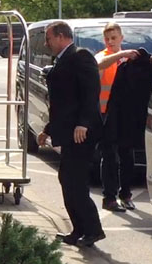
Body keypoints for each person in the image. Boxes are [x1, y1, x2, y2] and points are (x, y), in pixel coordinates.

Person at [38, 21, 105, 247]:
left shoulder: (81, 56)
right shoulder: (62, 59)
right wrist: (47, 130)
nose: (47, 44)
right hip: (68, 131)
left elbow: (91, 92)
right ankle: (78, 229)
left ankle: (93, 230)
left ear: (60, 36)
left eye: (48, 39)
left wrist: (84, 123)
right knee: (67, 179)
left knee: (75, 181)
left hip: (81, 133)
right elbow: (62, 102)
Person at [94, 22, 140, 212]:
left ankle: (126, 194)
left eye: (114, 38)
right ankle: (109, 198)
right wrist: (121, 55)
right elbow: (98, 65)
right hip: (105, 114)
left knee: (127, 156)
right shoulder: (104, 57)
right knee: (110, 156)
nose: (111, 42)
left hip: (125, 115)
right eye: (107, 39)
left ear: (121, 38)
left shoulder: (131, 60)